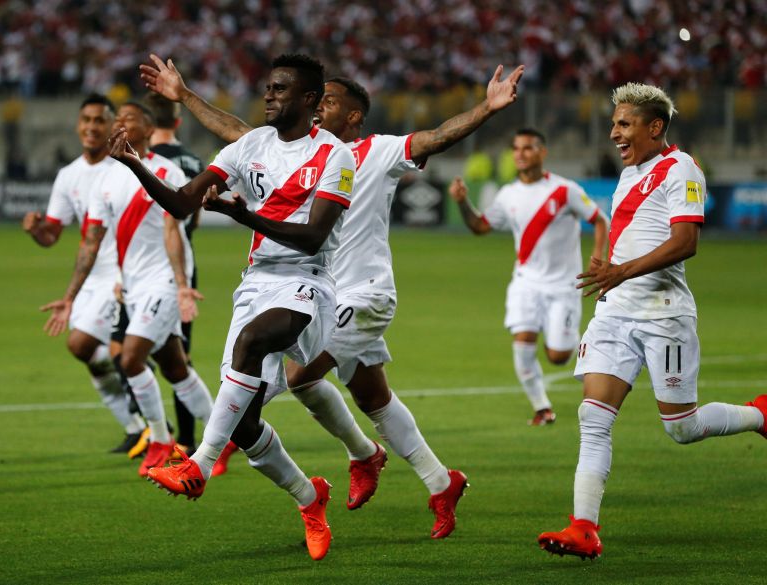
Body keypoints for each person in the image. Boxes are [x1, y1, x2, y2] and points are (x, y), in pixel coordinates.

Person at [138, 53, 523, 538]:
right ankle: (439, 481)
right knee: (372, 395)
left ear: (353, 116)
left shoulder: (376, 152)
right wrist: (186, 94)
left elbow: (436, 136)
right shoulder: (282, 148)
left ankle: (318, 452)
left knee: (288, 376)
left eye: (332, 102)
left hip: (360, 292)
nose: (320, 109)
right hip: (313, 290)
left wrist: (486, 110)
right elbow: (235, 131)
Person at [112, 54, 357, 561]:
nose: (269, 96)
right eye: (268, 88)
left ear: (309, 100)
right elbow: (183, 204)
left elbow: (313, 238)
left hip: (309, 282)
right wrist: (135, 165)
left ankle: (198, 464)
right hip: (256, 285)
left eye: (281, 89)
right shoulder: (250, 146)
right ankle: (310, 499)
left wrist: (246, 217)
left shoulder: (336, 156)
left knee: (254, 340)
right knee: (244, 425)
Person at [537, 82, 767, 559]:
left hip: (664, 316)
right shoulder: (630, 172)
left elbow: (686, 242)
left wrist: (619, 271)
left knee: (681, 427)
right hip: (615, 314)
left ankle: (760, 413)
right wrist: (610, 273)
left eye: (624, 124)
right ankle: (584, 527)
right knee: (592, 418)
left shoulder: (680, 169)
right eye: (614, 123)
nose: (614, 132)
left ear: (654, 127)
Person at [41, 101, 215, 478]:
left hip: (165, 281)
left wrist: (183, 286)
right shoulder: (105, 181)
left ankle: (160, 439)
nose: (119, 124)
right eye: (116, 119)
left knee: (131, 357)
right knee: (175, 367)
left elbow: (174, 231)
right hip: (133, 287)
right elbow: (91, 242)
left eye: (129, 120)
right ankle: (229, 436)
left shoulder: (165, 170)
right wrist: (70, 298)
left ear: (149, 130)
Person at [448, 129, 609, 425]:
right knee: (522, 342)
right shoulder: (508, 194)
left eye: (528, 148)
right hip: (525, 282)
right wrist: (462, 202)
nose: (521, 153)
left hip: (563, 285)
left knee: (559, 356)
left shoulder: (564, 191)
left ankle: (589, 347)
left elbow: (599, 219)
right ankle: (542, 408)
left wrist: (598, 258)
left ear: (542, 152)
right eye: (516, 148)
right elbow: (480, 226)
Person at [23, 93, 145, 453]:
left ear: (112, 125)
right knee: (84, 351)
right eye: (86, 121)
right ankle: (135, 425)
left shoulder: (124, 167)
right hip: (92, 275)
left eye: (99, 120)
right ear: (78, 126)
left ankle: (142, 380)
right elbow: (52, 235)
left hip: (123, 273)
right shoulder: (69, 175)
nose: (92, 127)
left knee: (87, 344)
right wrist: (35, 229)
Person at [142, 91, 206, 456]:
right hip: (182, 261)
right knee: (178, 351)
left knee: (131, 350)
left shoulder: (140, 160)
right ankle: (184, 437)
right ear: (178, 122)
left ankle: (153, 431)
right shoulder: (194, 161)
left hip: (140, 266)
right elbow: (190, 217)